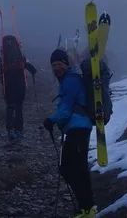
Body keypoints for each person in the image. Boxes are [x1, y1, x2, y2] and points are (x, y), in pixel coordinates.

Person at [43, 48, 96, 218]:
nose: (56, 67)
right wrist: (56, 120)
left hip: (78, 129)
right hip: (77, 128)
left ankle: (87, 209)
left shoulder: (71, 80)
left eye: (59, 64)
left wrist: (52, 120)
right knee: (74, 168)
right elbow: (66, 107)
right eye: (53, 65)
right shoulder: (68, 79)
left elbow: (66, 107)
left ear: (66, 63)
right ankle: (86, 208)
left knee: (70, 168)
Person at [0, 34, 38, 140]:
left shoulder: (1, 57)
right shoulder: (20, 55)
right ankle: (19, 130)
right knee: (19, 106)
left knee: (10, 106)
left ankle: (10, 130)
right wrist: (33, 71)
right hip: (20, 84)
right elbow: (30, 68)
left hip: (8, 85)